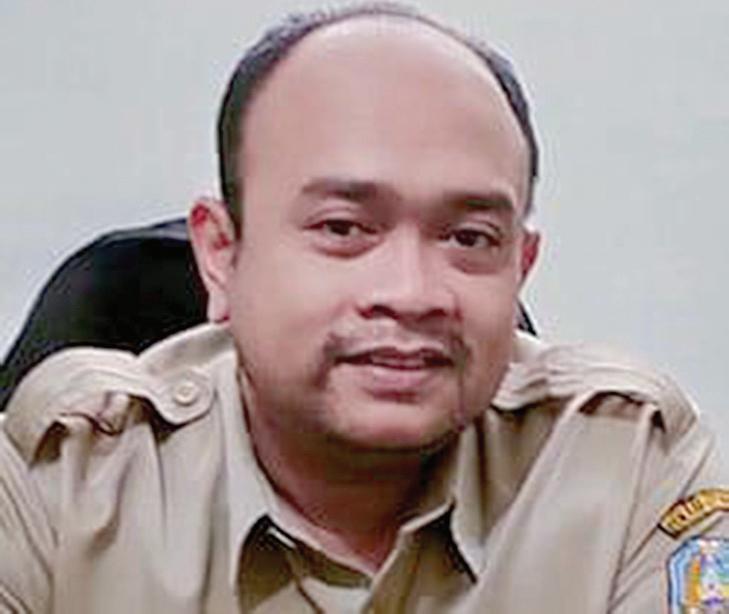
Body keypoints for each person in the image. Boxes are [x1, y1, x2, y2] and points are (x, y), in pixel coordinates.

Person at [0, 4, 726, 613]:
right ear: (221, 253)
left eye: (469, 238)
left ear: (520, 267)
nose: (410, 292)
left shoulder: (628, 467)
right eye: (343, 229)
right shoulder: (59, 484)